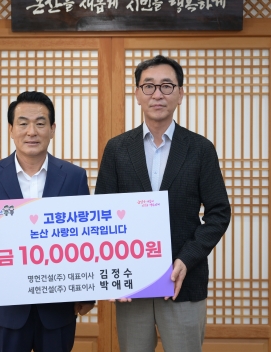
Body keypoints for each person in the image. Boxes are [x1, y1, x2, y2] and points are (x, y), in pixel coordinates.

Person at [95, 55, 231, 352]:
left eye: (167, 86)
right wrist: (113, 271)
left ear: (180, 93)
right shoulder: (117, 149)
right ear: (137, 94)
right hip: (133, 284)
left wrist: (186, 259)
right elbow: (102, 213)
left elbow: (219, 213)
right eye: (149, 86)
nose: (157, 94)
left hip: (183, 280)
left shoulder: (200, 149)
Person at [0, 91, 95, 352]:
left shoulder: (74, 176)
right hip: (8, 308)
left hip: (58, 307)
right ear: (11, 129)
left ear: (52, 129)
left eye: (40, 123)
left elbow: (86, 237)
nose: (31, 131)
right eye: (23, 123)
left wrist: (87, 295)